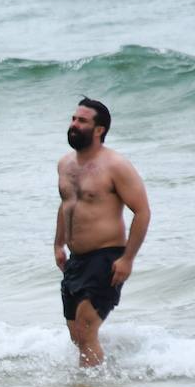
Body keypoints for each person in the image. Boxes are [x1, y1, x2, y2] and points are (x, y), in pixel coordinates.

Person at [54, 97, 152, 367]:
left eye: (82, 121)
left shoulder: (116, 166)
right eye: (73, 119)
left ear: (99, 130)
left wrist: (128, 259)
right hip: (76, 260)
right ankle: (104, 373)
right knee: (77, 335)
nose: (74, 124)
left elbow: (142, 211)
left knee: (86, 329)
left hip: (106, 257)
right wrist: (58, 244)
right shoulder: (65, 164)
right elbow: (66, 205)